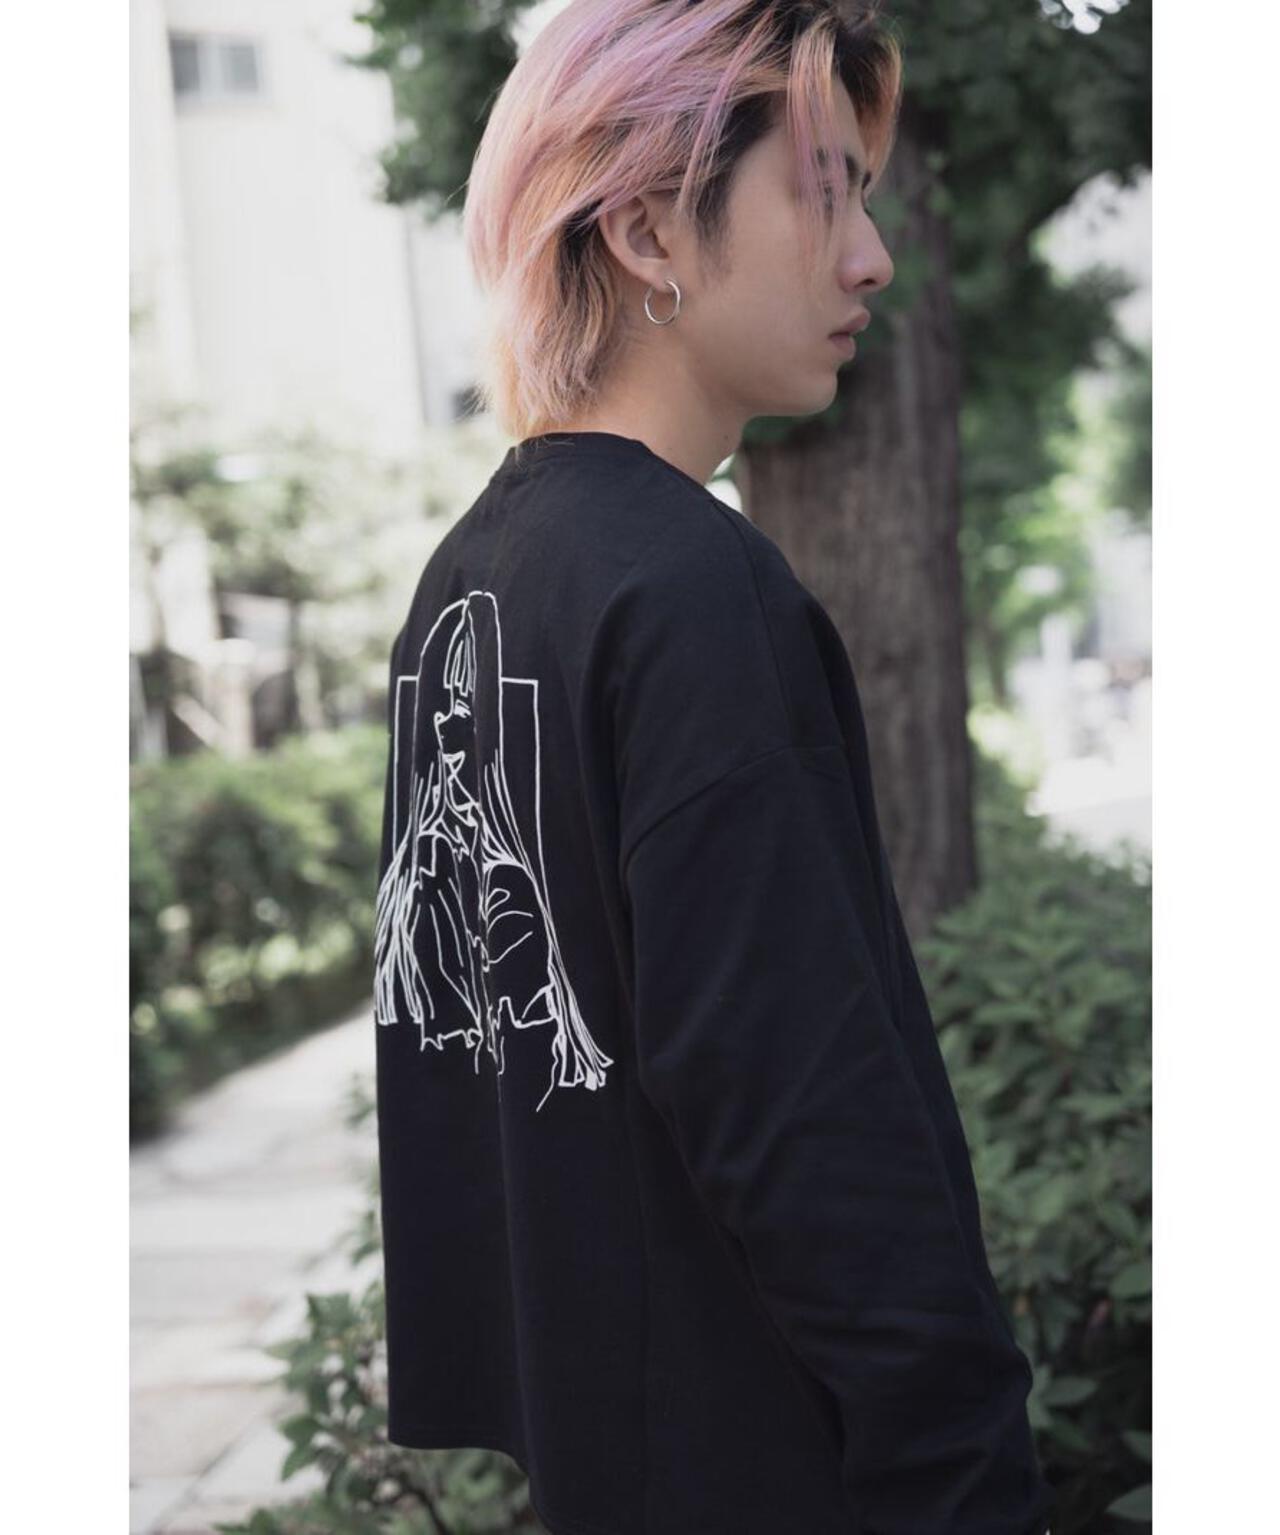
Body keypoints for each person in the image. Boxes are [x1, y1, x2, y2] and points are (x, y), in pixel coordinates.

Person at [373, 3, 1055, 1532]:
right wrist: (966, 1472)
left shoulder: (468, 588)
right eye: (825, 195)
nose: (871, 259)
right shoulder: (694, 594)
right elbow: (810, 1121)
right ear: (644, 230)